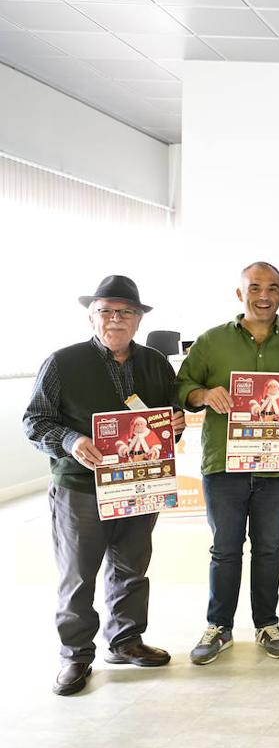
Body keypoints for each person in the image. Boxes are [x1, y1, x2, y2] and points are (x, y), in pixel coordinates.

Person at [23, 275, 183, 696]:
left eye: (126, 312)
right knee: (78, 575)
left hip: (139, 483)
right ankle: (75, 655)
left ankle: (125, 641)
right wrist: (71, 441)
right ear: (91, 316)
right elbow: (35, 420)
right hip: (81, 486)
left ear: (139, 319)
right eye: (106, 311)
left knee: (132, 567)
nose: (116, 319)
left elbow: (169, 418)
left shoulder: (155, 363)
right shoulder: (63, 362)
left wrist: (176, 424)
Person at [177, 262, 279, 665]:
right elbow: (183, 388)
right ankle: (219, 627)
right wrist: (204, 395)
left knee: (269, 548)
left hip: (276, 467)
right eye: (254, 287)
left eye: (272, 287)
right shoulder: (210, 342)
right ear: (239, 294)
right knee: (225, 549)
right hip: (224, 464)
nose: (264, 294)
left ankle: (267, 623)